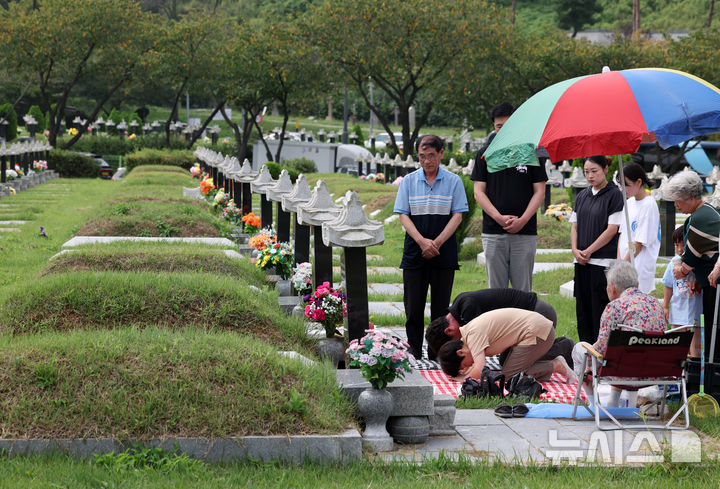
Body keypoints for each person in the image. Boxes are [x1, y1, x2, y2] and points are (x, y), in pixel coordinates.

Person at [393, 134, 468, 360]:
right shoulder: (408, 181)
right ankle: (414, 348)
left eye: (432, 156)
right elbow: (403, 216)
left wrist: (437, 242)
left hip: (443, 251)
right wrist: (422, 241)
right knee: (413, 305)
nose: (427, 161)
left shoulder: (454, 181)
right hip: (415, 250)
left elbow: (457, 216)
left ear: (441, 154)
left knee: (441, 307)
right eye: (422, 156)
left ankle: (437, 350)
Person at [471, 102, 547, 292]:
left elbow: (539, 191)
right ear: (493, 127)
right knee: (496, 292)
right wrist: (498, 218)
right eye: (499, 127)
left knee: (523, 291)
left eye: (509, 125)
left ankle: (523, 323)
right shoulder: (484, 155)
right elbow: (479, 192)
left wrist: (522, 220)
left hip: (525, 232)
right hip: (493, 232)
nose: (503, 131)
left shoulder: (532, 153)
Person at [572, 260, 666, 407]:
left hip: (622, 372)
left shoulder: (615, 307)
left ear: (612, 288)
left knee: (579, 349)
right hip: (655, 372)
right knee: (624, 350)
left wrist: (590, 363)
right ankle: (613, 401)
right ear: (638, 285)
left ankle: (593, 405)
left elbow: (601, 350)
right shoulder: (656, 304)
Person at [437, 308, 577, 384]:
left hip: (538, 333)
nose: (467, 368)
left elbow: (480, 369)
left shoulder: (472, 336)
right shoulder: (468, 335)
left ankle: (556, 365)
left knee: (510, 377)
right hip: (534, 331)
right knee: (505, 363)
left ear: (461, 352)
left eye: (463, 367)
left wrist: (463, 378)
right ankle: (555, 358)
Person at [570, 155, 624, 343]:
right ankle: (584, 354)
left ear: (606, 170)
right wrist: (575, 250)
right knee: (582, 311)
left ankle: (600, 353)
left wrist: (590, 250)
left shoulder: (614, 195)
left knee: (599, 310)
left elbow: (612, 230)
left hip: (602, 263)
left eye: (594, 171)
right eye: (586, 172)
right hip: (582, 262)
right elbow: (574, 226)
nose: (590, 176)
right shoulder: (582, 195)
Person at [668, 171, 720, 362]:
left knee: (716, 334)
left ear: (690, 198)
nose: (676, 205)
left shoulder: (700, 218)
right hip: (709, 284)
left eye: (678, 200)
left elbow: (690, 259)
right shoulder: (701, 213)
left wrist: (680, 270)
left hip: (717, 285)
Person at [424, 288, 557, 356]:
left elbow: (478, 349)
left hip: (541, 315)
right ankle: (558, 345)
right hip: (530, 321)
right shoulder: (460, 304)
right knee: (505, 360)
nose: (457, 344)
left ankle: (561, 349)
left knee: (519, 368)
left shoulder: (468, 309)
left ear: (449, 330)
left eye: (453, 342)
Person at [617, 162, 661, 294]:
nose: (623, 190)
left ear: (639, 182)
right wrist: (619, 262)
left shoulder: (649, 205)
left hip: (639, 265)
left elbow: (639, 244)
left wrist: (623, 265)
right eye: (621, 186)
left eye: (627, 185)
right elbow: (622, 234)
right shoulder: (629, 203)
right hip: (625, 263)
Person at [663, 226, 702, 358]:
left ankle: (694, 375)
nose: (679, 249)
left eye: (683, 245)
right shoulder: (673, 263)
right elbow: (668, 285)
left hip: (696, 314)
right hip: (677, 311)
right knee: (677, 347)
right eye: (676, 245)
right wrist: (665, 306)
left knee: (695, 348)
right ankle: (678, 375)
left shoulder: (698, 263)